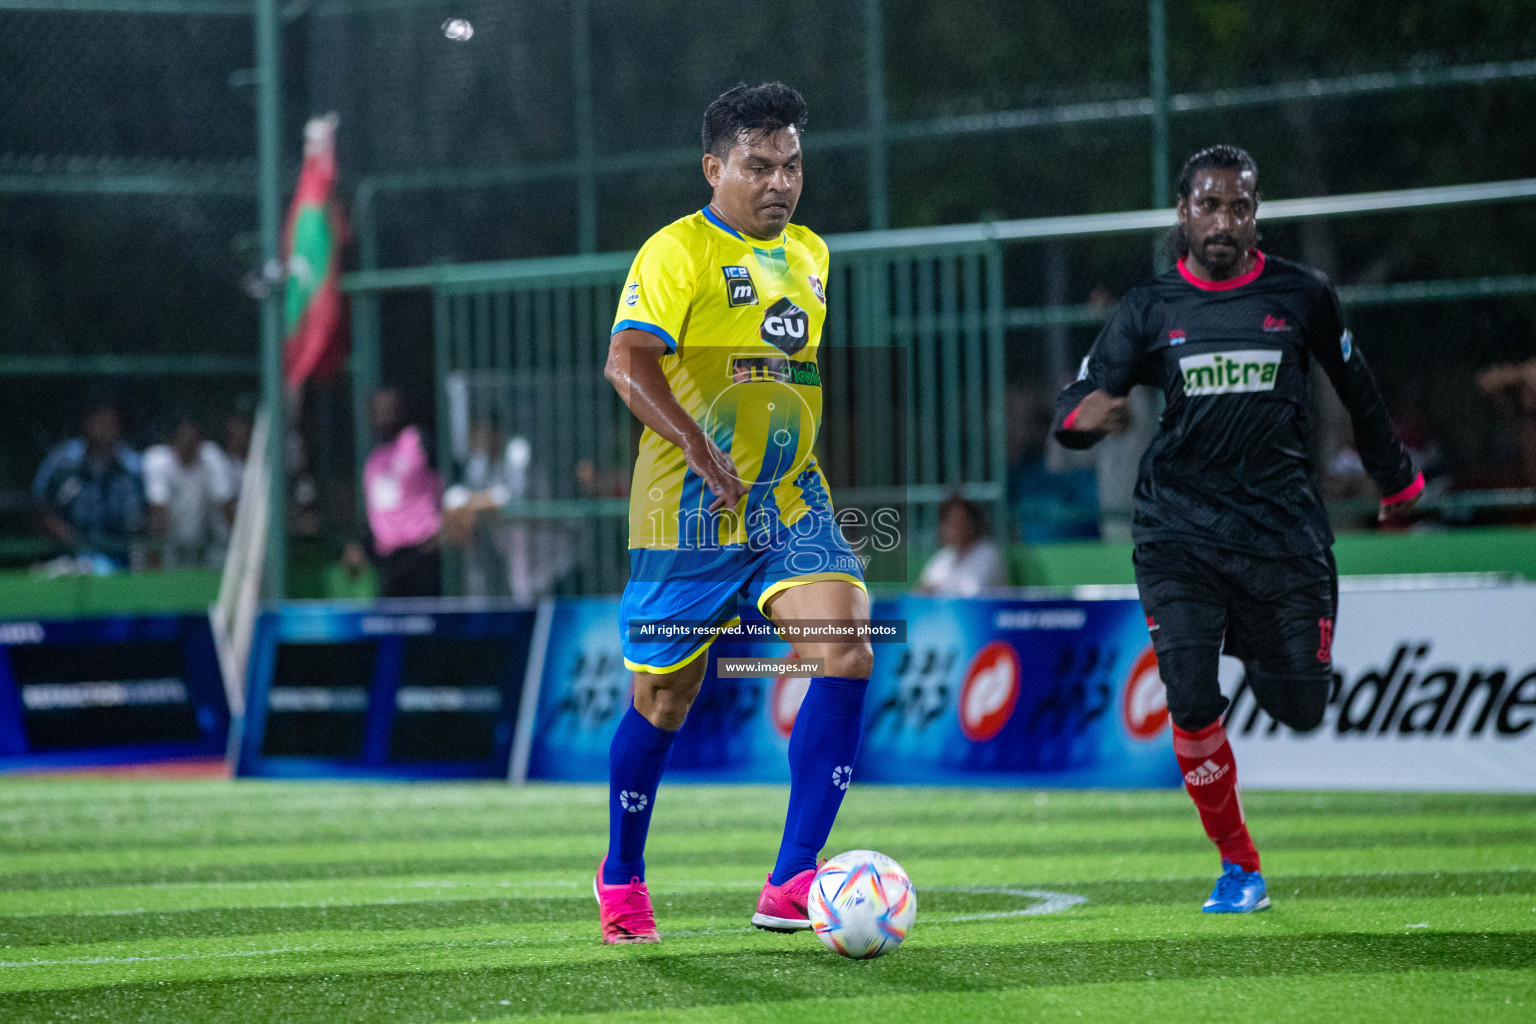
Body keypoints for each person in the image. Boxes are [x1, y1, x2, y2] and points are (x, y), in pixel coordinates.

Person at [1053, 145, 1421, 914]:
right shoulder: (1151, 308)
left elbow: (1360, 388)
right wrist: (1085, 420)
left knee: (1301, 705)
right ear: (1183, 213)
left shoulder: (1302, 295)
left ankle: (1256, 639)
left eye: (1239, 207)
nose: (1224, 221)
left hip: (1283, 535)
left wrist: (1396, 478)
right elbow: (1081, 400)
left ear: (1257, 215)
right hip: (1177, 531)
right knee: (1190, 697)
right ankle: (1238, 866)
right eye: (1210, 206)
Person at [596, 82, 871, 944]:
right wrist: (703, 450)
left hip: (790, 501)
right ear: (715, 167)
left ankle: (793, 879)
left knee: (846, 648)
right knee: (665, 698)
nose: (779, 182)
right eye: (758, 166)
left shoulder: (815, 254)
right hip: (688, 512)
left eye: (791, 164)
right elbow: (627, 363)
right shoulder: (674, 252)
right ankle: (622, 875)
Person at [344, 386, 443, 598]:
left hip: (424, 553)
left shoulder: (418, 441)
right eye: (380, 410)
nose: (386, 415)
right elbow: (382, 513)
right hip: (390, 561)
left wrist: (445, 522)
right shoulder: (374, 462)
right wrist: (362, 546)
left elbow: (449, 479)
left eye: (391, 408)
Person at [32, 400, 145, 570]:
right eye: (99, 422)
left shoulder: (132, 466)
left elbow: (142, 515)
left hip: (118, 556)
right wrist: (70, 539)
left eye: (110, 423)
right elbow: (40, 508)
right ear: (87, 424)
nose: (104, 430)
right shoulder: (61, 463)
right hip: (68, 556)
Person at [142, 418, 237, 568]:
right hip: (171, 539)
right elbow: (159, 513)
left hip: (206, 539)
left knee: (220, 525)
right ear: (173, 443)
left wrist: (240, 550)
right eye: (183, 440)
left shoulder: (212, 457)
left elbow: (226, 507)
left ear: (199, 442)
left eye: (192, 440)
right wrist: (155, 556)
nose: (188, 445)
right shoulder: (157, 460)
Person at [917, 494, 1008, 596]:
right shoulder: (944, 556)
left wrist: (938, 589)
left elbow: (973, 592)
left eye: (958, 521)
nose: (951, 528)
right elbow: (921, 590)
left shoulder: (988, 554)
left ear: (972, 523)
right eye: (947, 522)